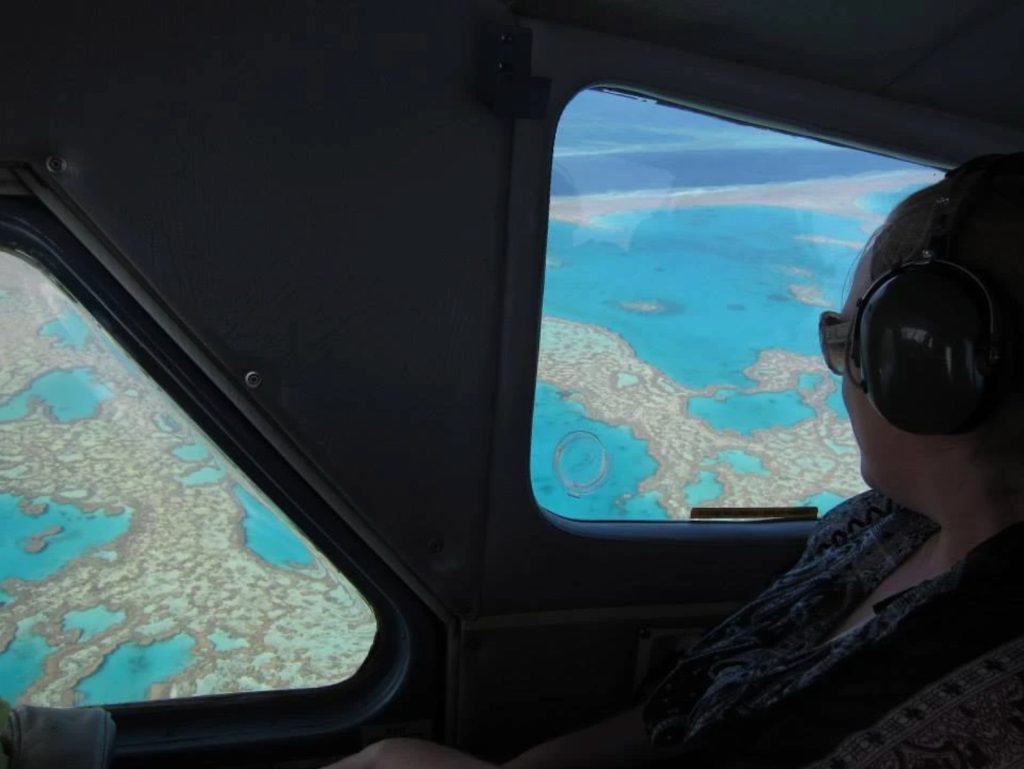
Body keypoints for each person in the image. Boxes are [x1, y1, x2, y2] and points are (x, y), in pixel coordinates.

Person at [329, 154, 1024, 768]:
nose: (838, 374)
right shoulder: (877, 527)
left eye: (849, 338)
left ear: (922, 364)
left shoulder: (990, 697)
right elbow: (683, 716)